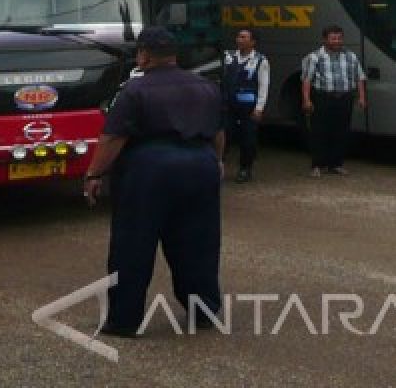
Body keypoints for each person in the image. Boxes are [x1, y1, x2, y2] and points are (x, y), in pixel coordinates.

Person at [83, 26, 225, 336]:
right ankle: (204, 312)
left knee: (133, 245)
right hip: (200, 167)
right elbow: (217, 133)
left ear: (144, 55)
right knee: (199, 243)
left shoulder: (134, 90)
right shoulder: (205, 86)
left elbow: (112, 138)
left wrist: (95, 174)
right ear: (174, 54)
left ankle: (123, 321)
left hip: (149, 170)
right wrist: (216, 162)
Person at [301, 25, 367, 178]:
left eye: (339, 38)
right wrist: (306, 99)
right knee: (319, 132)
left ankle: (336, 164)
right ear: (325, 39)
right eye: (333, 38)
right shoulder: (315, 57)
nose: (337, 41)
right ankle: (317, 165)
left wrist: (362, 97)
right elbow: (306, 80)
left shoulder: (350, 56)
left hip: (344, 98)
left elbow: (360, 78)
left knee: (341, 132)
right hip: (323, 98)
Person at [221, 28, 269, 183]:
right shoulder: (228, 57)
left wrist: (259, 108)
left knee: (248, 140)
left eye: (243, 37)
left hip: (249, 108)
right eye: (238, 36)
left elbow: (263, 85)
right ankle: (218, 166)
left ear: (253, 42)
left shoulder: (260, 60)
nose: (239, 39)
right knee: (224, 137)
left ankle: (245, 169)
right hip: (229, 105)